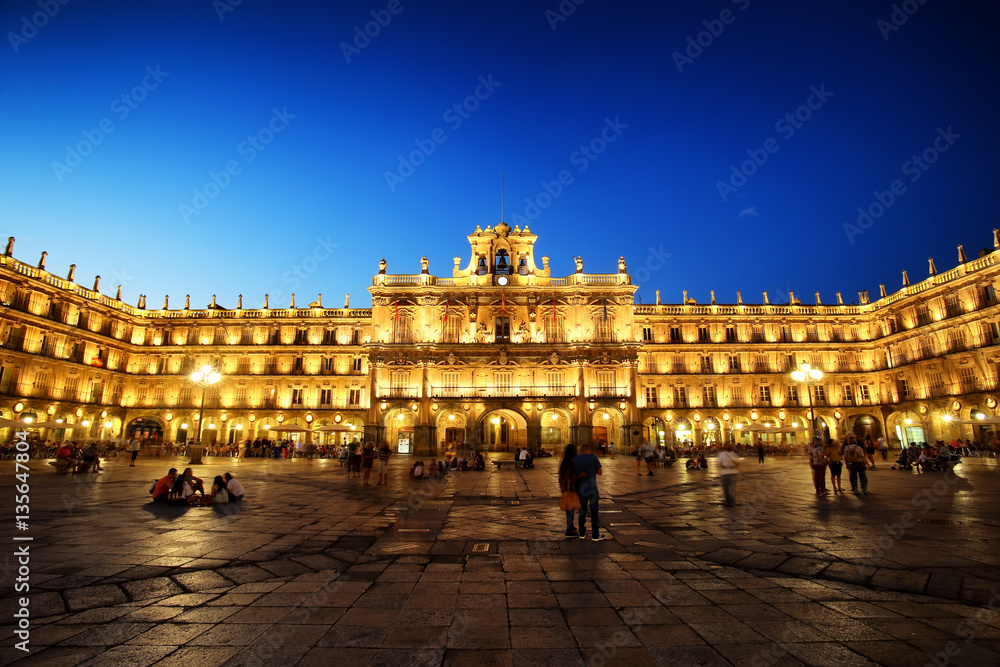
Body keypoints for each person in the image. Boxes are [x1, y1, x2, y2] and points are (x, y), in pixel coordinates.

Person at [573, 443, 605, 541]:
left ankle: (582, 533)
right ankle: (595, 535)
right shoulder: (593, 457)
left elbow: (573, 475)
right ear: (589, 450)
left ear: (581, 450)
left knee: (582, 511)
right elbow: (600, 472)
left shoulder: (576, 459)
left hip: (581, 489)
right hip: (592, 488)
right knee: (594, 512)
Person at [558, 445, 580, 537]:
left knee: (570, 507)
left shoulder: (564, 462)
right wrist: (580, 476)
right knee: (571, 507)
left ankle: (571, 525)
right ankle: (569, 528)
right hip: (570, 487)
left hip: (565, 487)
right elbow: (570, 477)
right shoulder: (570, 463)